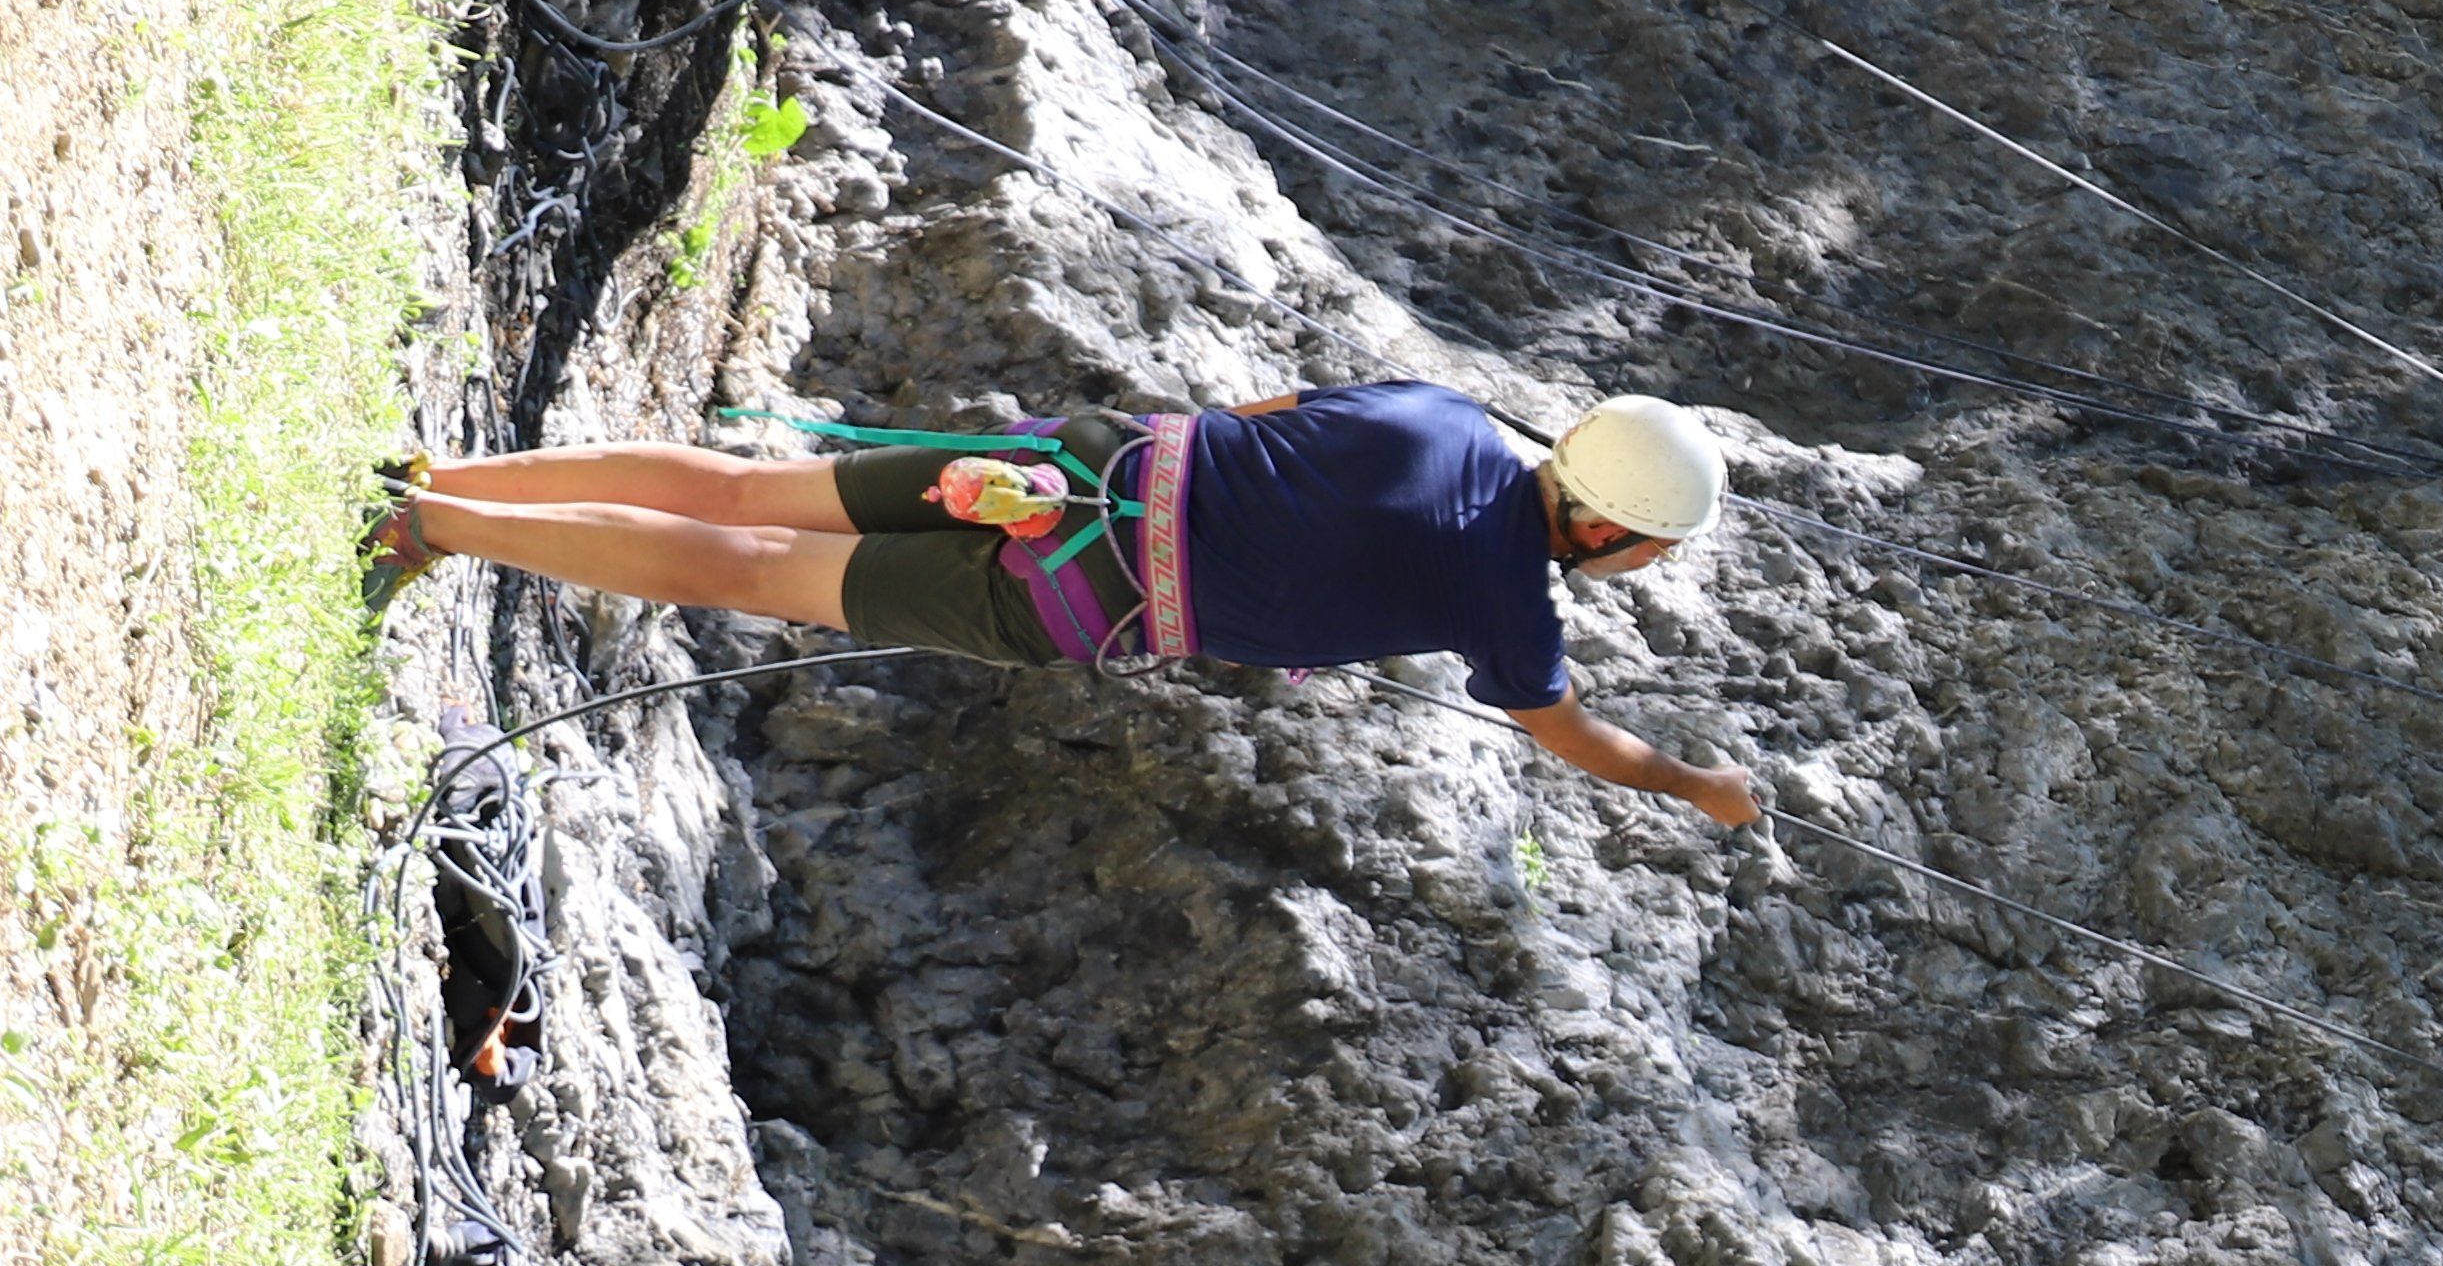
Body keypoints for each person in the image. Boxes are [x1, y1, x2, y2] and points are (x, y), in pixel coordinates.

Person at [381, 387, 1761, 825]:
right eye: (1647, 547)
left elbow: (1264, 412)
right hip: (1073, 593)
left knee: (752, 492)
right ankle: (432, 522)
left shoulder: (1448, 421)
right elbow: (1564, 730)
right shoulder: (1503, 590)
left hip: (1060, 473)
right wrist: (1700, 787)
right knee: (748, 577)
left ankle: (448, 483)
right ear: (1604, 526)